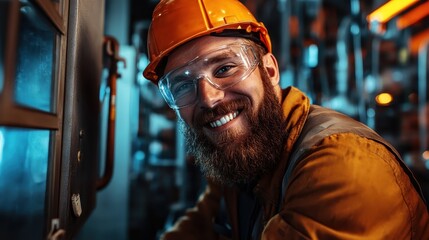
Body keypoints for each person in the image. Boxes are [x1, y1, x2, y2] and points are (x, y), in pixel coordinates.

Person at [143, 0, 429, 239]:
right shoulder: (240, 160)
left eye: (225, 68)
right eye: (181, 86)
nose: (208, 98)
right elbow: (198, 227)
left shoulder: (343, 164)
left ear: (269, 71)